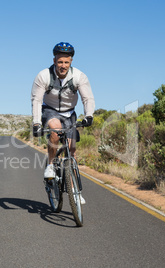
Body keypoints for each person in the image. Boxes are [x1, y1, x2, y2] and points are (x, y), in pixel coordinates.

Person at [31, 42, 95, 204]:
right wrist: (37, 123)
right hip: (50, 110)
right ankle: (51, 165)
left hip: (70, 113)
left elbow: (87, 98)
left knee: (72, 151)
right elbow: (37, 100)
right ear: (54, 60)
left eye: (66, 62)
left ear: (71, 61)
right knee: (55, 130)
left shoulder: (79, 76)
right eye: (60, 62)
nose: (63, 65)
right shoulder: (44, 76)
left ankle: (74, 191)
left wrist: (89, 115)